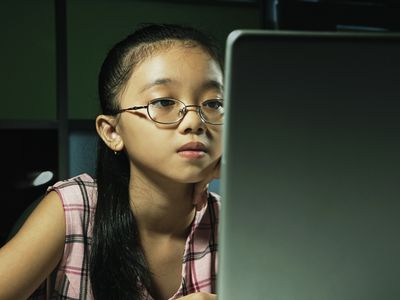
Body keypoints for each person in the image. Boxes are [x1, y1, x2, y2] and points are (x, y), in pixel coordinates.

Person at [0, 23, 223, 300]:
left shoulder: (232, 222)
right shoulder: (75, 210)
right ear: (113, 132)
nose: (194, 121)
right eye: (164, 102)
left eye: (213, 104)